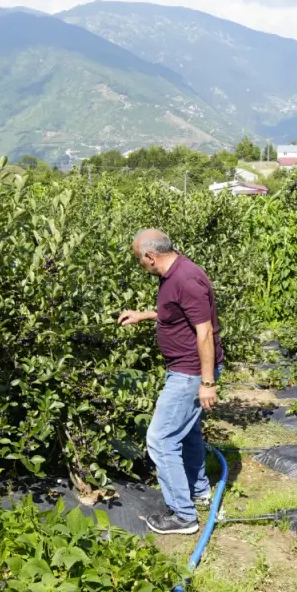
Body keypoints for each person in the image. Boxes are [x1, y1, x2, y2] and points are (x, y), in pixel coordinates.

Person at [118, 229, 224, 535]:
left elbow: (204, 331)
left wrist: (207, 382)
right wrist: (144, 315)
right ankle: (199, 491)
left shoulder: (185, 279)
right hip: (186, 370)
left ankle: (182, 515)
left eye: (139, 258)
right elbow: (177, 313)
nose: (139, 264)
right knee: (187, 432)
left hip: (190, 373)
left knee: (161, 439)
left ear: (150, 256)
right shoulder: (172, 274)